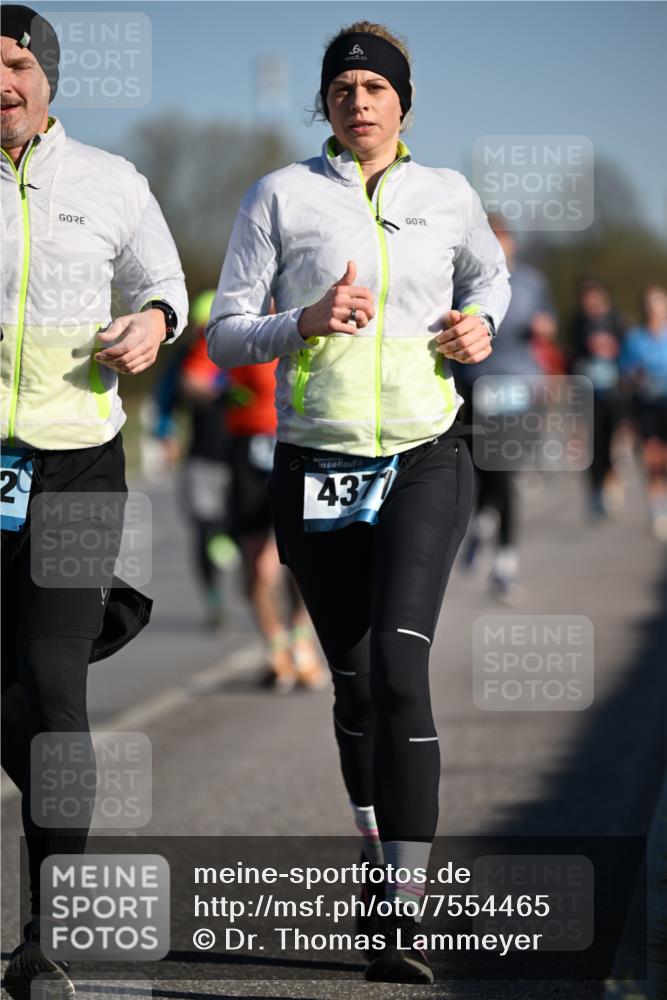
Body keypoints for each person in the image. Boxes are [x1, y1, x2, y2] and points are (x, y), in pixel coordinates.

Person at [207, 20, 510, 983]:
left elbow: (489, 279)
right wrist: (301, 321)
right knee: (351, 685)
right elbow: (222, 335)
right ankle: (378, 879)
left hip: (426, 452)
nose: (360, 99)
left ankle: (401, 919)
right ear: (325, 103)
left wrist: (479, 325)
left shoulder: (447, 195)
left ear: (404, 103)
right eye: (343, 86)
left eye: (377, 86)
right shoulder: (280, 196)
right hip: (315, 463)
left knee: (398, 670)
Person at [0, 7, 187, 997]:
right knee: (10, 696)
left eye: (19, 63)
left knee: (50, 674)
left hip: (75, 461)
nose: (4, 81)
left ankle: (47, 932)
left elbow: (168, 283)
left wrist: (154, 321)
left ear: (50, 77)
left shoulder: (113, 182)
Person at [453, 216, 557, 604]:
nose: (497, 246)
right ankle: (481, 523)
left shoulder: (532, 282)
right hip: (475, 384)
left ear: (512, 242)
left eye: (502, 239)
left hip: (519, 386)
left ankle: (505, 567)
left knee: (507, 472)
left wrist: (545, 328)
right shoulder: (460, 281)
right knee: (482, 470)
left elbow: (549, 322)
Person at [150, 290, 237, 629]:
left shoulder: (246, 352)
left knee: (238, 527)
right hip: (202, 455)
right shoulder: (188, 359)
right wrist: (165, 434)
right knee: (204, 528)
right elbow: (166, 397)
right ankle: (215, 599)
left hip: (242, 456)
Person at [570, 278, 626, 518]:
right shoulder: (577, 324)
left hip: (613, 391)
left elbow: (626, 353)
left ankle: (612, 481)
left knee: (611, 441)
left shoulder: (616, 322)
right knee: (593, 443)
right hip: (587, 390)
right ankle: (594, 491)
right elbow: (570, 355)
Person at [619, 286, 667, 539]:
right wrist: (634, 376)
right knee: (652, 459)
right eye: (649, 305)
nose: (654, 310)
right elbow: (625, 373)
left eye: (658, 304)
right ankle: (658, 513)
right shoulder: (635, 338)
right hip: (646, 405)